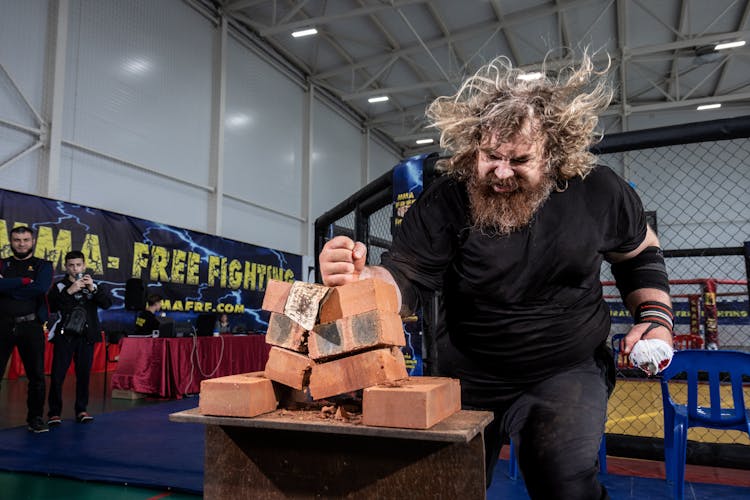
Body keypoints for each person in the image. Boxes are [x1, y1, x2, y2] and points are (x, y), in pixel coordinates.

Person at [319, 53, 674, 499]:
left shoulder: (599, 190)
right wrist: (360, 280)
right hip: (468, 369)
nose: (501, 173)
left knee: (564, 482)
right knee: (446, 485)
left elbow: (638, 252)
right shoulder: (448, 196)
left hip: (565, 368)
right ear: (475, 148)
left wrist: (657, 316)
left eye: (520, 159)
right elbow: (405, 277)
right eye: (490, 156)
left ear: (554, 155)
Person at [47, 251, 112, 426]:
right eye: (71, 265)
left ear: (84, 265)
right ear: (66, 267)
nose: (75, 268)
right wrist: (70, 291)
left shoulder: (92, 284)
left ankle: (81, 410)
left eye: (78, 265)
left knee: (83, 375)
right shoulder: (60, 286)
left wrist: (92, 289)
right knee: (57, 375)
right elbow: (52, 306)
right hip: (65, 336)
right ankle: (54, 413)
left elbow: (106, 304)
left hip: (87, 336)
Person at [0, 226, 53, 433]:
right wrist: (23, 282)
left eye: (25, 239)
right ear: (11, 241)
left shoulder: (43, 265)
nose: (21, 243)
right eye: (16, 240)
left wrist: (9, 290)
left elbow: (40, 288)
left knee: (37, 377)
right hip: (2, 325)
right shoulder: (3, 263)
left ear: (33, 241)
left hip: (30, 326)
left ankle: (35, 418)